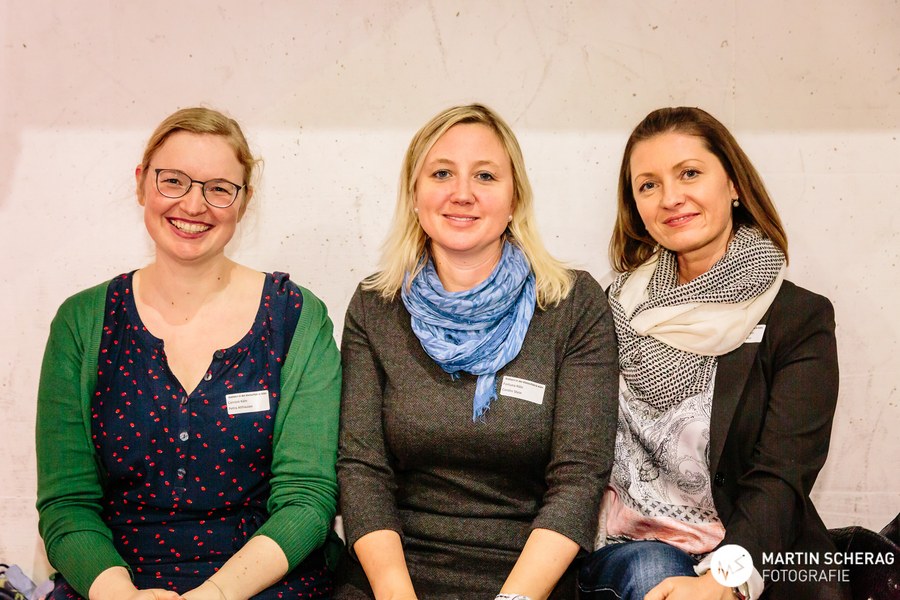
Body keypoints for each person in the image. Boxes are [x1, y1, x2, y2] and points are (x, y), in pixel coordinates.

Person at [35, 107, 342, 600]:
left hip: (265, 584)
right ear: (142, 183)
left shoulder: (294, 318)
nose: (194, 205)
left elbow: (306, 498)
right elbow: (68, 503)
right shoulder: (83, 322)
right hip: (115, 585)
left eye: (219, 188)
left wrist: (214, 595)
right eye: (173, 181)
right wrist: (122, 595)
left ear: (244, 201)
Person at [334, 104, 619, 599]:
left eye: (485, 175)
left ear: (514, 199)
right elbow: (363, 470)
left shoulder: (571, 304)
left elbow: (579, 477)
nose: (462, 193)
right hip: (394, 572)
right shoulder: (375, 305)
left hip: (530, 575)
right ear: (414, 195)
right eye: (441, 173)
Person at [577, 107, 849, 600]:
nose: (670, 198)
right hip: (629, 550)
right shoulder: (608, 307)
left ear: (734, 185)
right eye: (648, 185)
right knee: (654, 569)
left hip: (755, 554)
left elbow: (782, 474)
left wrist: (725, 577)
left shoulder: (798, 318)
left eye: (689, 173)